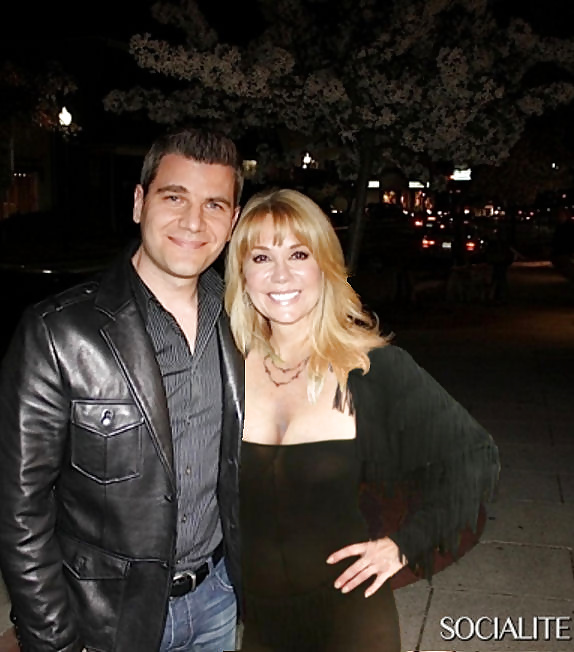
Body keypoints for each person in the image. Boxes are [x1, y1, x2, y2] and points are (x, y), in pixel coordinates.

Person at [0, 128, 245, 652]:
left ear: (233, 222)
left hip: (217, 600)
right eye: (174, 197)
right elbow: (21, 512)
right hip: (105, 619)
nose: (193, 222)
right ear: (139, 202)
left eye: (214, 205)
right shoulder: (58, 333)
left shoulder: (242, 319)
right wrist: (51, 640)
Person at [224, 189, 499, 651]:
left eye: (298, 254)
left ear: (325, 266)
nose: (281, 274)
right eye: (261, 257)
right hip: (262, 624)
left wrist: (405, 544)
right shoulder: (226, 369)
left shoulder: (372, 369)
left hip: (352, 621)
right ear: (242, 274)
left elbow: (475, 456)